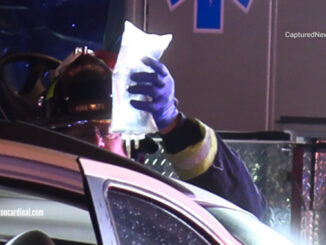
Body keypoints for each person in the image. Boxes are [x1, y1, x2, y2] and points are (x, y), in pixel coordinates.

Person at [44, 47, 267, 219]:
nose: (97, 142)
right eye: (82, 134)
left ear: (130, 142)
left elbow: (246, 220)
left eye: (107, 131)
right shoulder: (39, 201)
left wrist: (174, 127)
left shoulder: (157, 210)